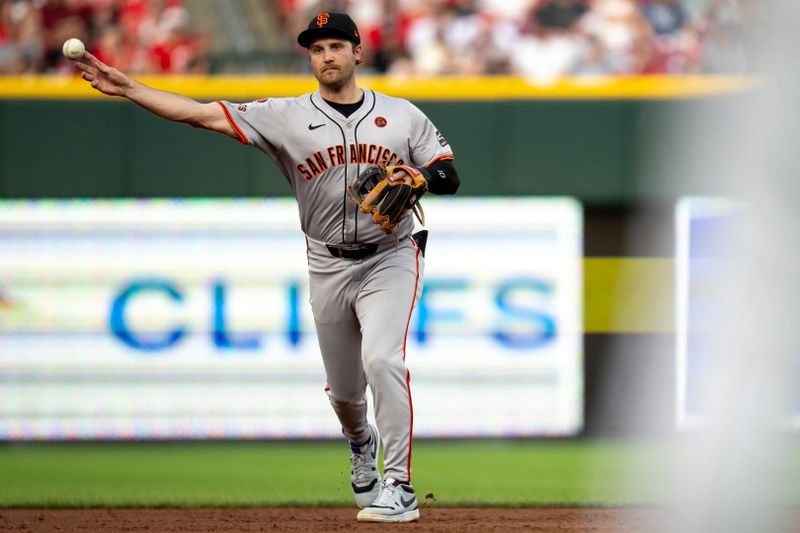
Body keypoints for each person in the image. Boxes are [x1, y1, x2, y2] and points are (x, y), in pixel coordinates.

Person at [75, 11, 459, 524]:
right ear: (309, 57)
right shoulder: (284, 115)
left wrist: (419, 175)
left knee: (383, 361)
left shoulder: (402, 114)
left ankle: (400, 486)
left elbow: (448, 173)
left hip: (391, 256)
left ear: (358, 53)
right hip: (326, 262)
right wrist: (130, 88)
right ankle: (360, 442)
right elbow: (198, 113)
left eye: (337, 46)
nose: (327, 56)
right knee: (346, 394)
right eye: (317, 48)